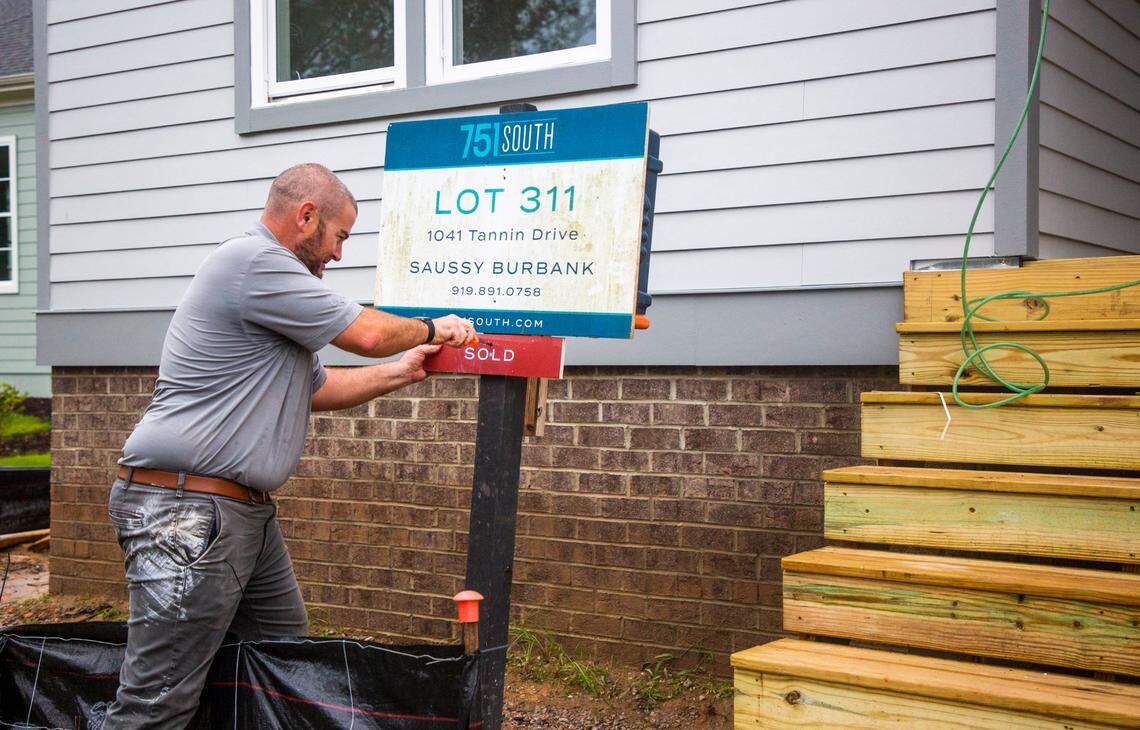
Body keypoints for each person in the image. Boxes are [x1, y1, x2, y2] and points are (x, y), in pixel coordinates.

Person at [103, 163, 477, 727]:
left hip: (237, 513)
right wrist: (433, 328)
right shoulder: (255, 263)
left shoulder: (276, 292)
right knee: (157, 701)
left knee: (282, 659)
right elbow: (368, 333)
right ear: (307, 216)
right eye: (340, 236)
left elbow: (319, 388)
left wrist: (404, 371)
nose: (340, 254)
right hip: (185, 512)